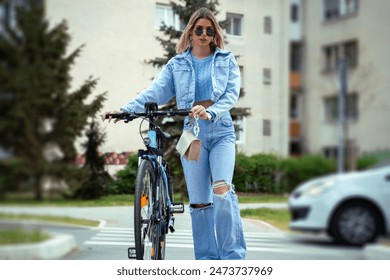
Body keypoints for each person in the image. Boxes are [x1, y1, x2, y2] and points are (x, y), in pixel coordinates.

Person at [103, 7, 246, 260]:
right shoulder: (177, 63)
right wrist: (126, 110)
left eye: (209, 30)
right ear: (190, 31)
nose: (203, 34)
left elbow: (231, 95)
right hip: (193, 135)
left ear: (215, 34)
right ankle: (206, 260)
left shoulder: (225, 60)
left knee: (222, 191)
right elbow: (155, 92)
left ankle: (232, 258)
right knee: (200, 203)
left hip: (221, 132)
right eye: (199, 29)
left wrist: (211, 112)